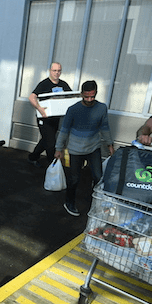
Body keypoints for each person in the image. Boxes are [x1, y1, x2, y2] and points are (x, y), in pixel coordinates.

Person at [54, 80, 114, 217]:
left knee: (98, 177)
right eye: (86, 96)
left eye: (92, 96)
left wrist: (110, 144)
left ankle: (97, 204)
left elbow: (105, 127)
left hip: (93, 146)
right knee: (74, 179)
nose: (89, 99)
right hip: (75, 148)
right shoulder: (73, 110)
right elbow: (64, 130)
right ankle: (69, 202)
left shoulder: (101, 108)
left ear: (96, 93)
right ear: (81, 94)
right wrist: (59, 149)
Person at [28, 62, 72, 167]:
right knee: (51, 142)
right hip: (44, 118)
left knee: (46, 139)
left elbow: (70, 97)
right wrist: (39, 108)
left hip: (55, 119)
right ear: (50, 71)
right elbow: (31, 97)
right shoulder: (44, 84)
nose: (57, 73)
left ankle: (33, 157)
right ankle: (52, 165)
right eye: (54, 70)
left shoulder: (63, 85)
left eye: (59, 71)